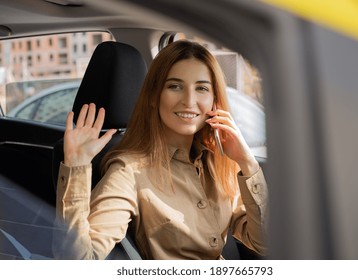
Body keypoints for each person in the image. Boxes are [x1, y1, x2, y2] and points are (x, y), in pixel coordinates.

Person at [53, 40, 268, 260]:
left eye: (202, 88)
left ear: (214, 100)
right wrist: (76, 166)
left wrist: (248, 163)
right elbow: (79, 261)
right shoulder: (129, 171)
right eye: (175, 86)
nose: (189, 101)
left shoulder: (219, 162)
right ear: (154, 97)